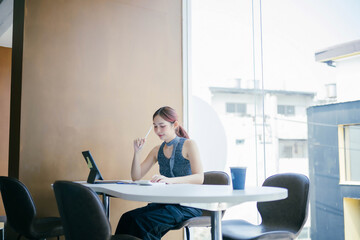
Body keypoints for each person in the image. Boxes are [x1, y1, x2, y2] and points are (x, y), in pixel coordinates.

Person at [115, 106, 204, 240]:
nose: (158, 131)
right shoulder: (157, 150)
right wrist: (137, 152)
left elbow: (200, 178)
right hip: (165, 203)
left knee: (142, 223)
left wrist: (169, 180)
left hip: (187, 206)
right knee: (127, 219)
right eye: (155, 126)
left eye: (162, 126)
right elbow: (136, 176)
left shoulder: (189, 145)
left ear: (175, 125)